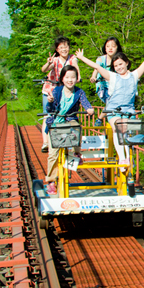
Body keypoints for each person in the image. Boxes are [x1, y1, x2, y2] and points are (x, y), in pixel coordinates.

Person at [76, 38, 144, 170]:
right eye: (116, 66)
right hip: (113, 111)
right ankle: (122, 158)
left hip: (129, 111)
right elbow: (97, 66)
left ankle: (129, 156)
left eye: (121, 64)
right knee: (119, 128)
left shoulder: (134, 75)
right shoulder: (112, 76)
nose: (119, 67)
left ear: (127, 63)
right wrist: (82, 58)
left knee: (131, 134)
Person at [44, 65, 94, 195]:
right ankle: (51, 181)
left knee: (76, 127)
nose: (70, 80)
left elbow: (85, 103)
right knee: (53, 154)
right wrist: (49, 102)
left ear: (77, 79)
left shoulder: (79, 92)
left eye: (73, 77)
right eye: (67, 77)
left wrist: (89, 109)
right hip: (56, 122)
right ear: (62, 78)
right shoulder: (56, 91)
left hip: (70, 120)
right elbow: (50, 110)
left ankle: (77, 153)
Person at [40, 36, 81, 152]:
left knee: (65, 115)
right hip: (51, 90)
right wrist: (48, 63)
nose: (64, 49)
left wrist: (78, 77)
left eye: (66, 47)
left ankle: (66, 140)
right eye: (61, 47)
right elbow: (44, 69)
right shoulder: (55, 59)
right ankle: (46, 142)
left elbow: (76, 68)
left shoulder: (72, 58)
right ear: (57, 50)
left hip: (65, 91)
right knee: (48, 114)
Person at [90, 37, 123, 104]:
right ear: (105, 48)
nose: (110, 48)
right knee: (110, 103)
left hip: (114, 87)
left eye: (113, 46)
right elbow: (96, 68)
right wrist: (93, 77)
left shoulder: (119, 60)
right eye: (108, 46)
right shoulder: (101, 59)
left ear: (117, 48)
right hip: (103, 86)